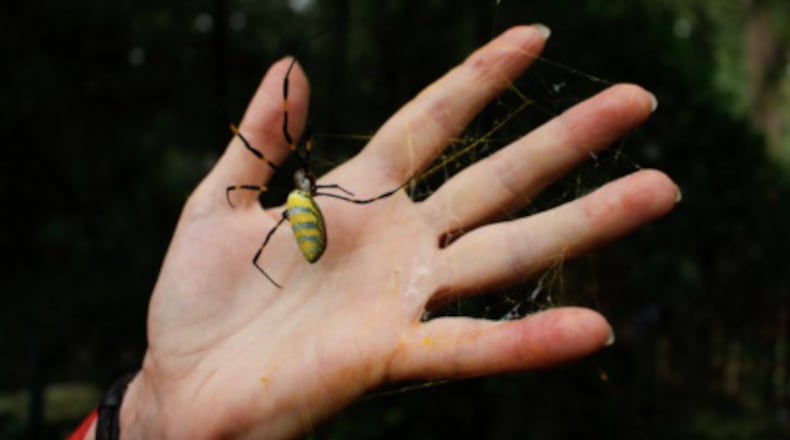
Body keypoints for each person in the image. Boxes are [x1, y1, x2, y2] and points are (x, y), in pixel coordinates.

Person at [71, 24, 678, 439]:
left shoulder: (311, 197)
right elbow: (329, 192)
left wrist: (139, 426)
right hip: (308, 228)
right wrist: (155, 413)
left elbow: (338, 191)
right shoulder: (311, 197)